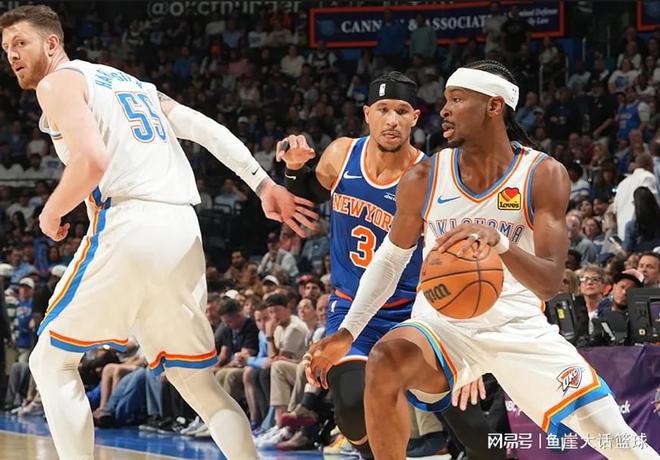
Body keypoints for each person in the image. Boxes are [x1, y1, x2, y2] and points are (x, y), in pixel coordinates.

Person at [0, 5, 317, 460]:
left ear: (52, 44)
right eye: (6, 48)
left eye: (21, 43)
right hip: (182, 229)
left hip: (131, 222)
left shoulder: (58, 82)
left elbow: (92, 160)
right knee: (197, 380)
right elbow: (203, 127)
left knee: (49, 361)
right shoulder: (131, 84)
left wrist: (51, 213)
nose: (12, 54)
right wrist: (262, 183)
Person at [305, 60, 658, 460]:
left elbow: (548, 283)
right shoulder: (424, 176)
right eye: (445, 100)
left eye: (457, 99)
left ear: (493, 106)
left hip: (516, 328)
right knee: (386, 358)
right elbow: (390, 260)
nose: (444, 110)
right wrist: (347, 333)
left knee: (614, 438)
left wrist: (501, 244)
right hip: (442, 326)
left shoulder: (542, 174)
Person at [277, 71, 500, 459]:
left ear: (415, 117)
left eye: (401, 110)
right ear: (367, 114)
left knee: (475, 431)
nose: (392, 119)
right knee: (350, 406)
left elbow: (460, 260)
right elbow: (309, 194)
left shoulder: (431, 177)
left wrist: (465, 336)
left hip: (414, 312)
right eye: (383, 109)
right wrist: (294, 169)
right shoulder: (341, 154)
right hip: (351, 308)